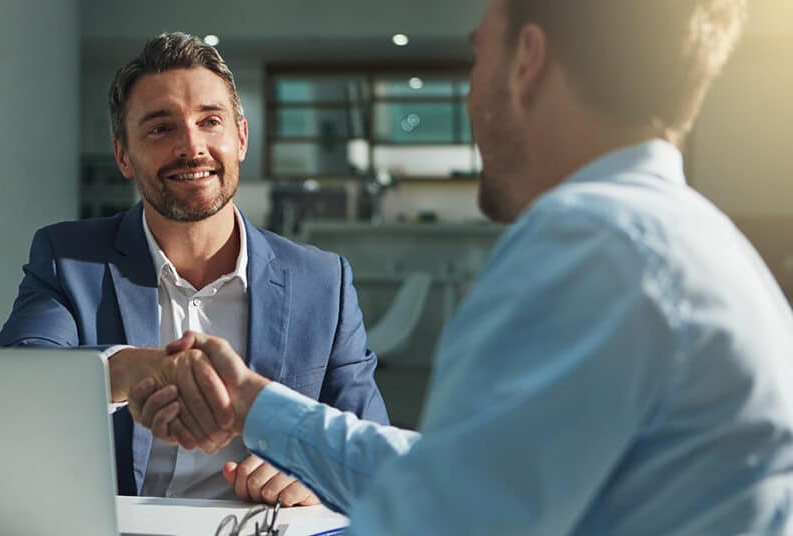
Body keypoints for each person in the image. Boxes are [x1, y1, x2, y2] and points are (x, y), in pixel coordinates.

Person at [129, 0, 793, 533]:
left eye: (478, 56)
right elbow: (464, 474)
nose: (472, 95)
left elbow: (434, 518)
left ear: (526, 62)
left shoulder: (588, 244)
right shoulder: (694, 239)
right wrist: (255, 408)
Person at [0, 32, 389, 505]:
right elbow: (12, 383)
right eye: (161, 128)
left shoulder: (323, 282)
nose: (192, 146)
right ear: (123, 154)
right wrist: (132, 370)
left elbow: (372, 450)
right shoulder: (67, 259)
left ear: (240, 138)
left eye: (210, 121)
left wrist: (319, 478)